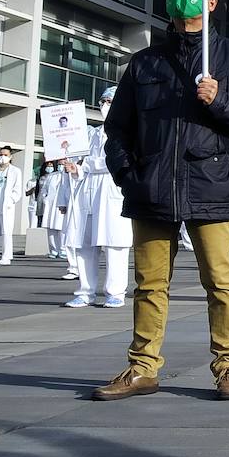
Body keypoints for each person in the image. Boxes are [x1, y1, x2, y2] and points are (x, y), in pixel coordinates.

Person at [95, 0, 229, 401]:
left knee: (221, 280)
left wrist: (220, 100)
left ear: (210, 2)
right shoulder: (145, 62)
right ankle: (142, 368)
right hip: (152, 188)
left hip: (211, 183)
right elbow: (116, 128)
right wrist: (128, 176)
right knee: (150, 284)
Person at [66, 88, 133, 307]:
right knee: (85, 243)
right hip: (88, 190)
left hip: (112, 189)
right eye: (103, 101)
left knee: (114, 244)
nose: (105, 105)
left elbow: (118, 160)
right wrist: (74, 167)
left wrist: (87, 165)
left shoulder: (129, 131)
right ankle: (85, 291)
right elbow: (81, 163)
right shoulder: (90, 133)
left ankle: (115, 292)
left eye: (110, 101)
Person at [36, 161, 66, 259]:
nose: (61, 165)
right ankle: (53, 250)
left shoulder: (69, 175)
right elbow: (44, 189)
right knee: (51, 227)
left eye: (64, 163)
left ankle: (63, 249)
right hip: (50, 204)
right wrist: (45, 199)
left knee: (62, 228)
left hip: (63, 205)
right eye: (60, 164)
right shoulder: (52, 176)